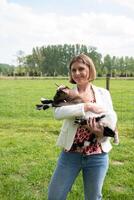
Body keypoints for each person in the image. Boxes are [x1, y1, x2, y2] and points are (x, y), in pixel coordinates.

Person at [48, 53, 117, 200]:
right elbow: (58, 113)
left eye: (81, 69)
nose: (77, 73)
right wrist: (85, 106)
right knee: (55, 196)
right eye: (73, 70)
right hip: (70, 154)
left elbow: (111, 119)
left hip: (97, 155)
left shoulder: (103, 93)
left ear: (90, 70)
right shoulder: (67, 92)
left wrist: (99, 132)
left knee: (93, 197)